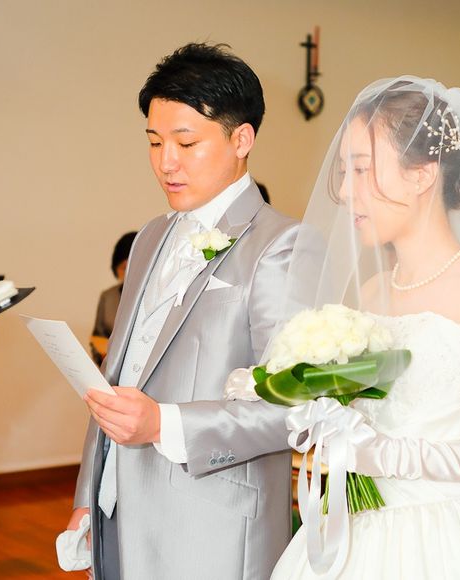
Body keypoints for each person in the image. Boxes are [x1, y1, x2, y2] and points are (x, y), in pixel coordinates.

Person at [264, 77, 460, 578]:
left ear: (422, 175)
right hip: (357, 535)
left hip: (453, 538)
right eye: (344, 173)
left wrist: (396, 457)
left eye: (361, 170)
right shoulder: (373, 290)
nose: (346, 193)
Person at [65, 44, 298, 579]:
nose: (165, 162)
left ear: (242, 139)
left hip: (210, 528)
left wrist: (162, 423)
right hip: (119, 509)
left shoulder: (283, 245)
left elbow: (290, 409)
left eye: (186, 143)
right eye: (154, 142)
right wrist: (88, 494)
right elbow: (116, 377)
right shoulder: (150, 236)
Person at [90, 232, 137, 365]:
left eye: (133, 267)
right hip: (110, 368)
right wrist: (102, 357)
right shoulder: (107, 297)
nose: (128, 274)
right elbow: (97, 337)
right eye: (124, 268)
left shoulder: (155, 297)